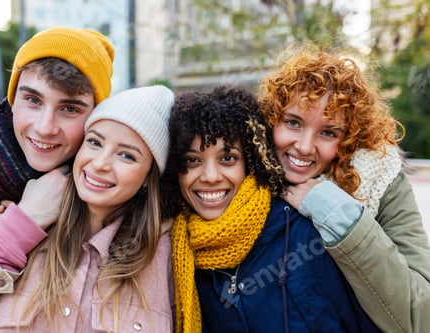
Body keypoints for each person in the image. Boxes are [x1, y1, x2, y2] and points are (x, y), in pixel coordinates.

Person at [0, 26, 114, 332]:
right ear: (13, 99)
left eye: (69, 108)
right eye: (33, 100)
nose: (45, 127)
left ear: (96, 115)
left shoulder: (117, 184)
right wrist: (23, 221)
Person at [161, 85, 381, 332]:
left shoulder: (306, 233)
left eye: (227, 158)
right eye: (192, 160)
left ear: (250, 162)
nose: (211, 176)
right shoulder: (174, 251)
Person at [0, 85, 175, 333]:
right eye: (95, 142)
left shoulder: (166, 255)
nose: (100, 163)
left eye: (126, 156)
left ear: (149, 176)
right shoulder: (17, 230)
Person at [258, 46, 430, 333]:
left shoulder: (379, 180)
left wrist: (337, 213)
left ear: (349, 140)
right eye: (292, 123)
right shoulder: (238, 178)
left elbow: (420, 317)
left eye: (328, 132)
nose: (304, 146)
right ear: (271, 119)